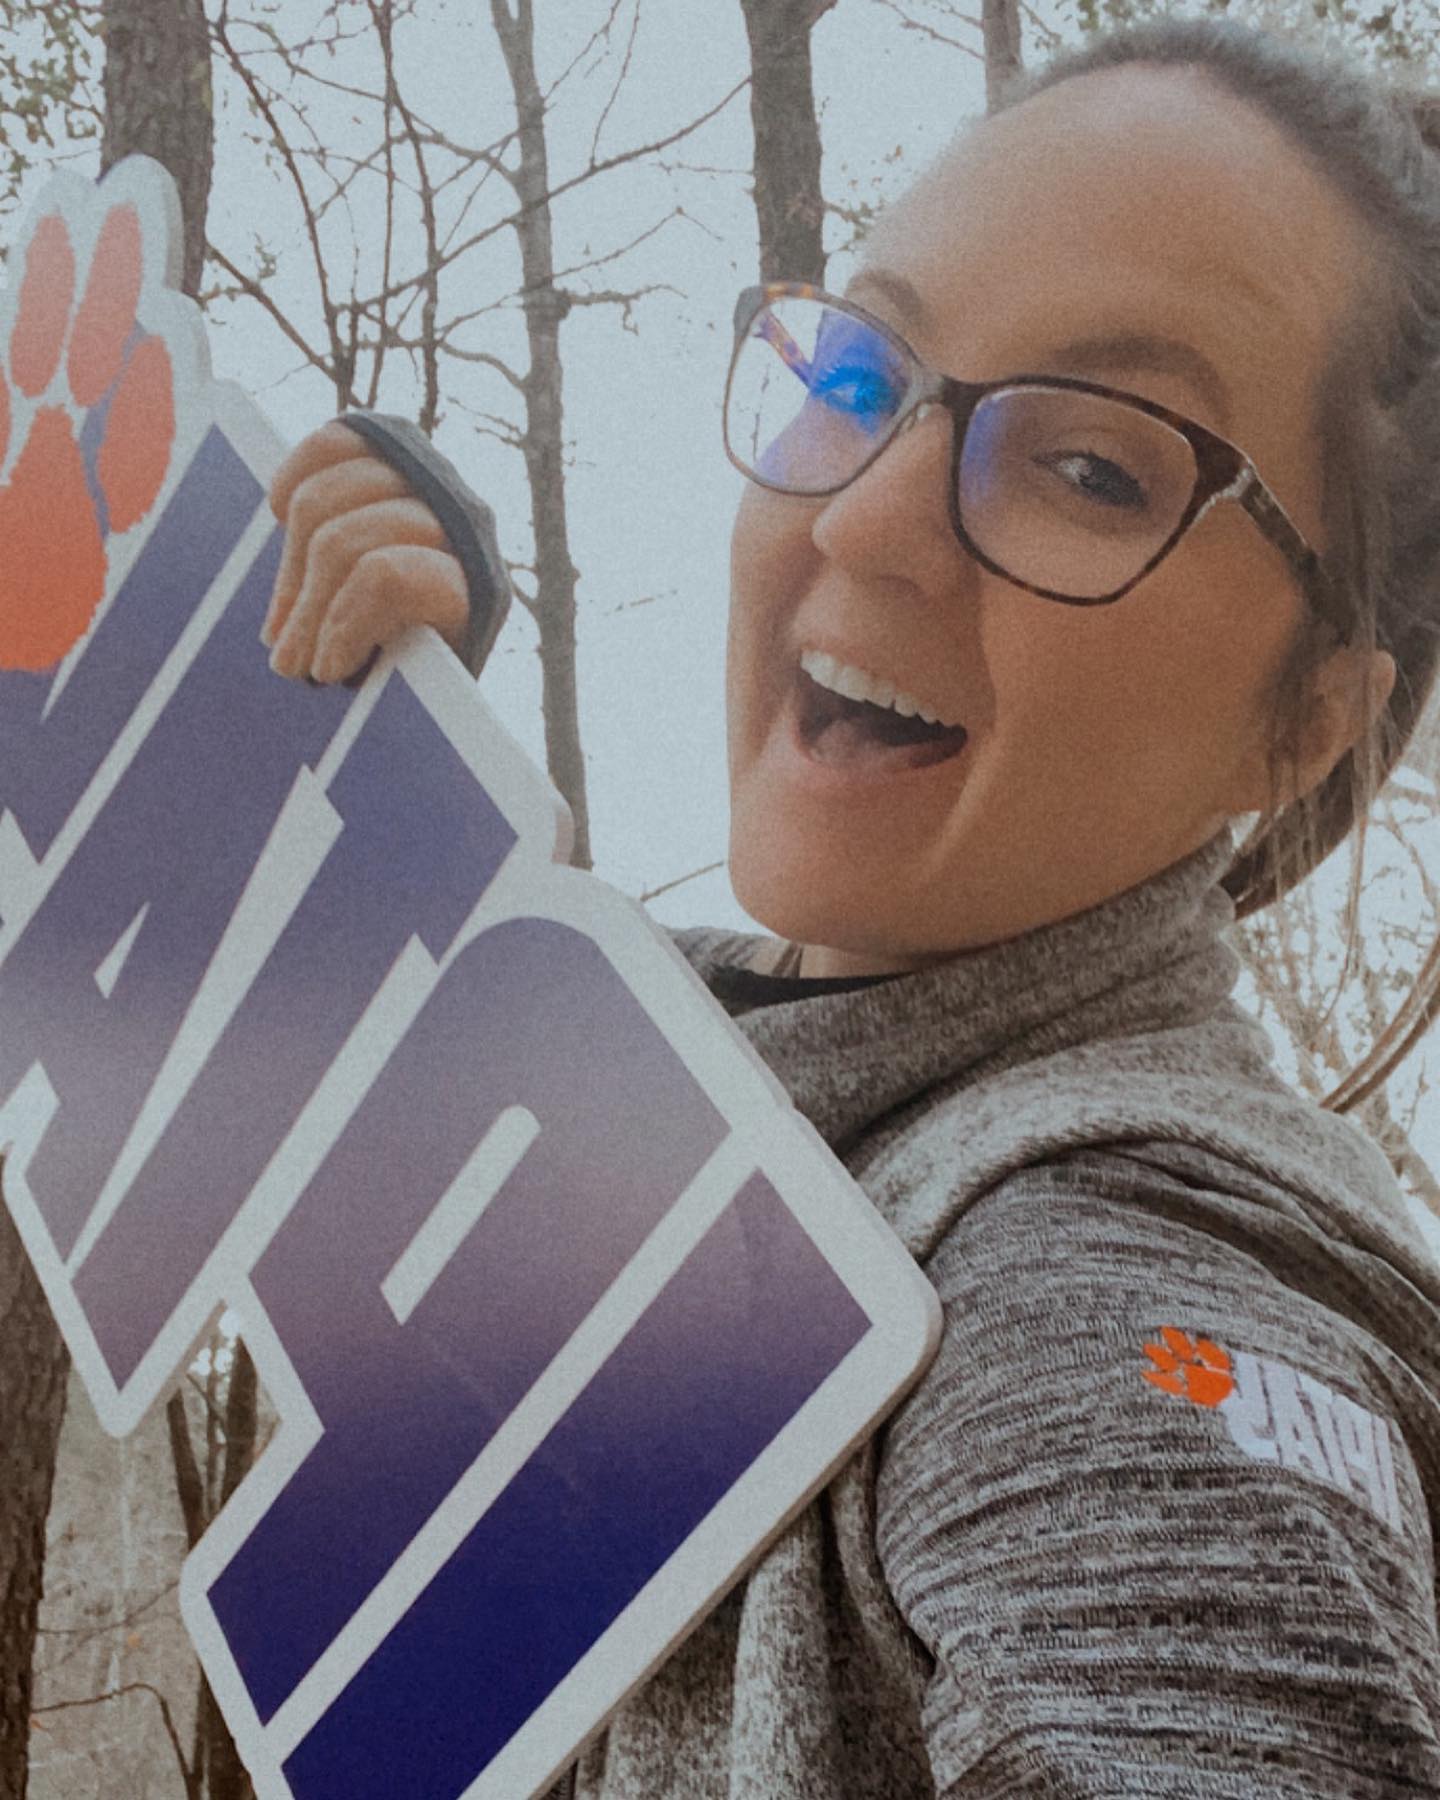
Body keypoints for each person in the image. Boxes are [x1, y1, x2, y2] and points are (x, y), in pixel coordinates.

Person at [261, 15, 1440, 1795]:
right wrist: (385, 765)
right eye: (864, 377)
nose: (869, 519)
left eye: (1094, 465)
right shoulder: (708, 1106)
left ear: (1306, 724)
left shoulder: (1096, 1282)